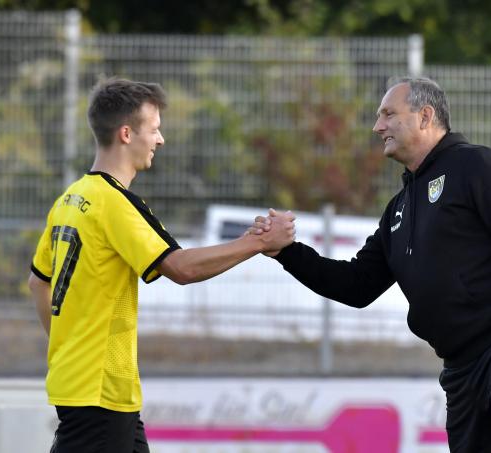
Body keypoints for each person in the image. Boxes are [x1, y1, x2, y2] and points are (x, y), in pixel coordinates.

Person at [250, 77, 491, 452]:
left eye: (388, 114)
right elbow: (356, 284)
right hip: (459, 368)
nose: (377, 126)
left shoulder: (477, 166)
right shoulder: (398, 208)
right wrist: (287, 252)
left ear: (425, 116)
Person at [27, 78, 295, 453]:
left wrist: (68, 345)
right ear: (126, 133)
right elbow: (180, 268)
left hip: (89, 385)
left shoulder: (70, 198)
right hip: (99, 391)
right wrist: (260, 242)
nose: (160, 139)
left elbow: (39, 282)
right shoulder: (114, 203)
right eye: (153, 130)